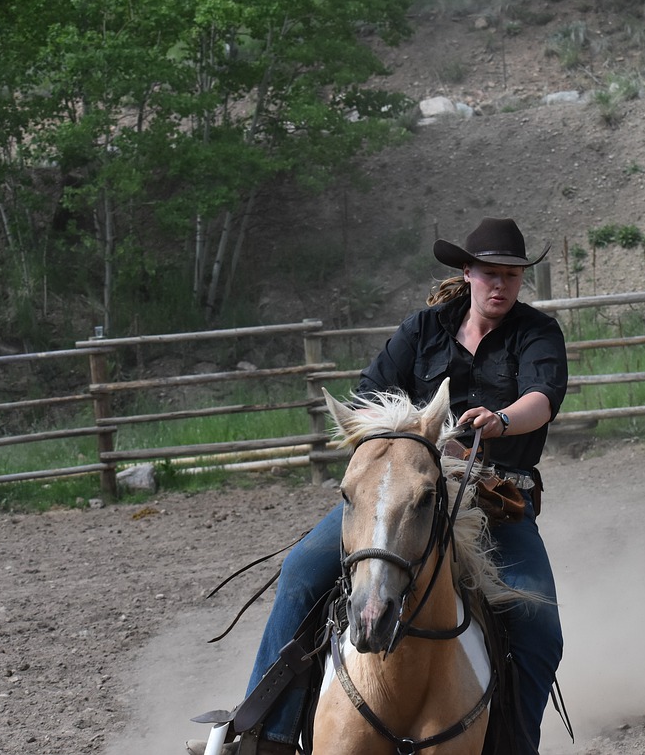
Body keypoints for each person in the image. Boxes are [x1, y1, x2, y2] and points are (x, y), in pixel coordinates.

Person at [187, 217, 568, 755]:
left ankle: (515, 747)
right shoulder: (424, 329)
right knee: (300, 573)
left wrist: (499, 422)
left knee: (536, 626)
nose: (501, 284)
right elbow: (370, 399)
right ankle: (263, 735)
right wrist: (416, 440)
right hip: (405, 484)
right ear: (468, 272)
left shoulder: (537, 334)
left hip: (494, 498)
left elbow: (542, 399)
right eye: (490, 273)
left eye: (511, 274)